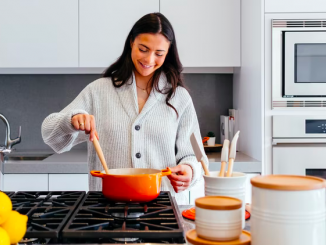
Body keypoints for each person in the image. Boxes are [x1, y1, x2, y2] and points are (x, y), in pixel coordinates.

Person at [41, 12, 207, 204]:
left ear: (168, 53)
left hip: (161, 211)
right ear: (131, 43)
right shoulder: (99, 91)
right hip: (105, 210)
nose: (149, 59)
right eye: (143, 49)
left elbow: (193, 155)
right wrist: (71, 120)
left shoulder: (179, 97)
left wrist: (189, 170)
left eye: (159, 53)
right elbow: (49, 134)